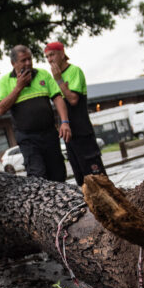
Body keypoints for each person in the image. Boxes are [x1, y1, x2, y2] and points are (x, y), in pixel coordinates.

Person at [0, 45, 69, 181]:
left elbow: (58, 98)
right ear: (13, 63)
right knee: (38, 175)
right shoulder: (5, 81)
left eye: (30, 59)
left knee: (58, 174)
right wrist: (18, 87)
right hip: (27, 138)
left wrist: (65, 122)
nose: (28, 63)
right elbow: (0, 109)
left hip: (49, 134)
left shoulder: (43, 75)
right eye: (23, 60)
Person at [43, 41, 106, 186]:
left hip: (83, 133)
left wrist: (59, 80)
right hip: (69, 136)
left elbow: (72, 99)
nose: (50, 60)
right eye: (47, 57)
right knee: (81, 180)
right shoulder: (53, 79)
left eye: (52, 55)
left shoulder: (74, 71)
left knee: (97, 178)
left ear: (62, 53)